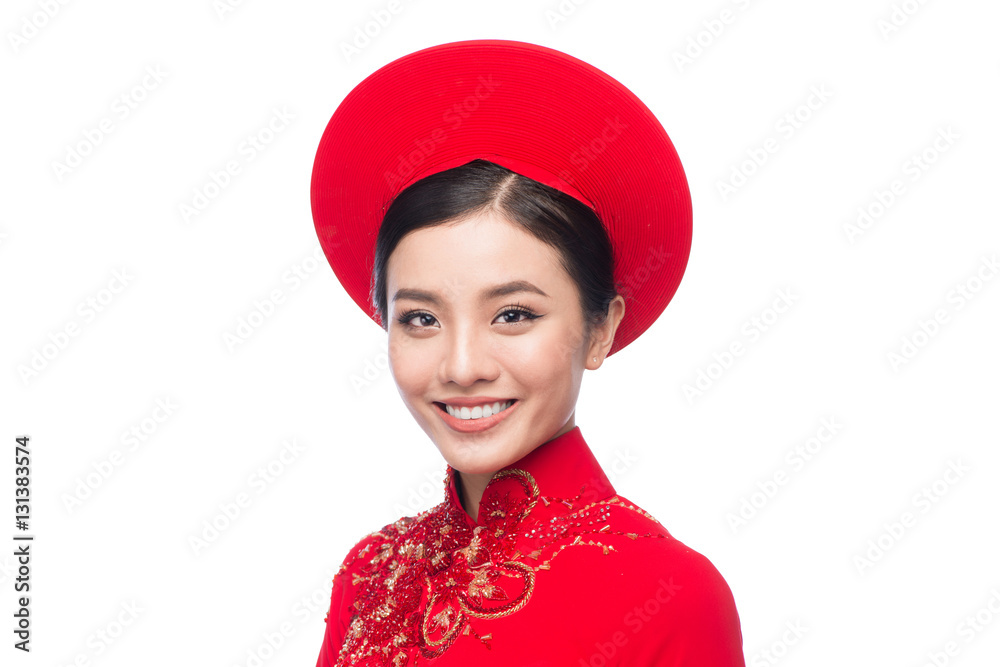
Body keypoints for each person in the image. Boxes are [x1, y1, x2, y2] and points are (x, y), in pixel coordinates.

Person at [311, 39, 745, 666]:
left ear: (601, 328)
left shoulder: (667, 592)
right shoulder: (371, 573)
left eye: (513, 315)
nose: (462, 367)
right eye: (421, 318)